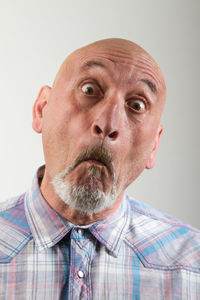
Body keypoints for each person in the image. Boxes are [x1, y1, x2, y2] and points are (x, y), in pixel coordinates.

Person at [0, 38, 199, 299]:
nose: (107, 123)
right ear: (42, 109)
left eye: (137, 105)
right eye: (90, 89)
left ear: (154, 146)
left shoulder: (192, 267)